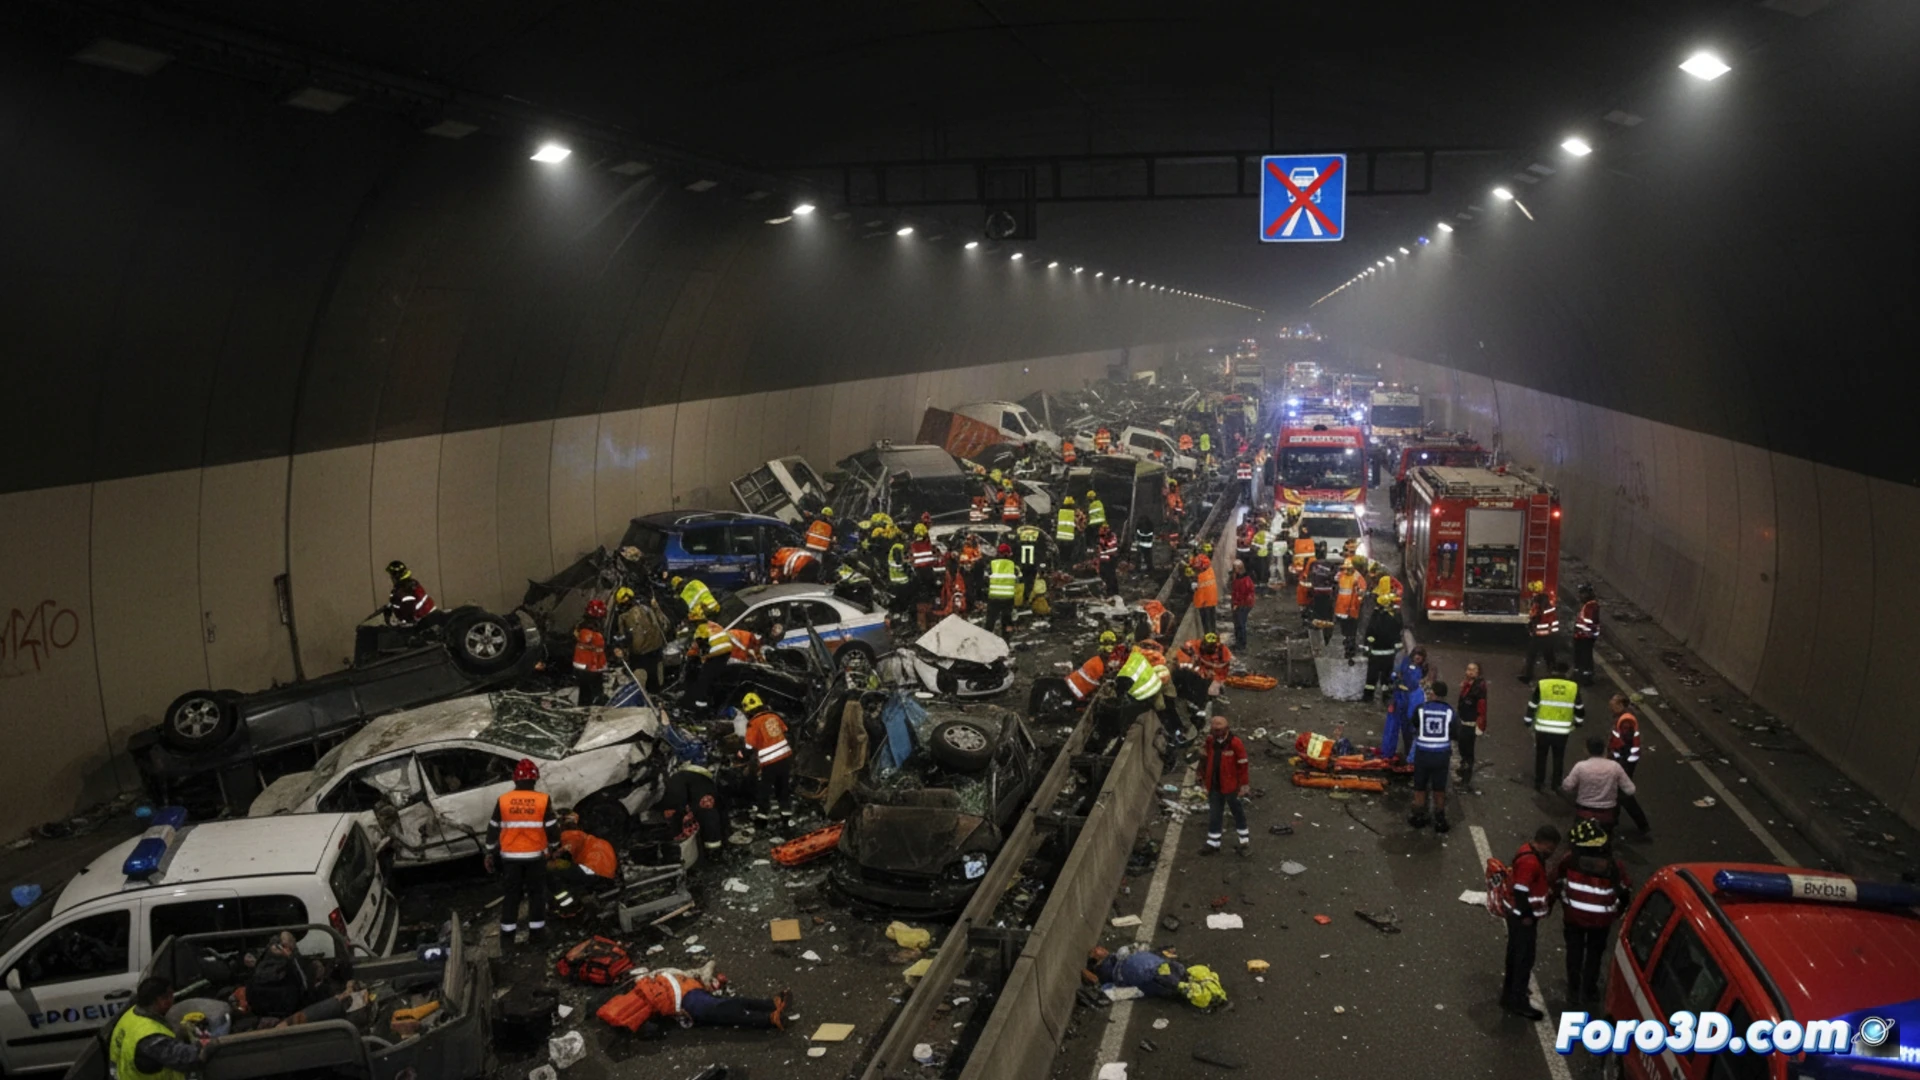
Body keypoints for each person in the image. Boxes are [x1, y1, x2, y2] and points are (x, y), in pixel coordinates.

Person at [1551, 819, 1632, 1005]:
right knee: (1595, 955)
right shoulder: (1614, 866)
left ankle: (1573, 989)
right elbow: (1624, 890)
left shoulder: (1569, 860)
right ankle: (1590, 989)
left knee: (1574, 953)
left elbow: (1556, 881)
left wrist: (1556, 902)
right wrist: (1617, 912)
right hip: (1601, 922)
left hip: (1574, 918)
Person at [488, 758, 560, 945]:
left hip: (510, 858)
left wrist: (489, 852)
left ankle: (507, 938)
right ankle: (536, 935)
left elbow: (493, 827)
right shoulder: (542, 800)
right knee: (536, 895)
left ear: (515, 780)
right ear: (535, 779)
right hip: (535, 857)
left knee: (512, 896)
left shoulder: (504, 800)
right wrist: (554, 846)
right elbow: (551, 828)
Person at [597, 969, 790, 1032]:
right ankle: (769, 1015)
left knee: (726, 1007)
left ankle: (770, 1009)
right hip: (689, 998)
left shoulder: (649, 984)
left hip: (689, 997)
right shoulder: (650, 983)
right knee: (726, 1009)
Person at [1501, 824, 1561, 1020]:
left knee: (1515, 955)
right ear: (1546, 844)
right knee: (1523, 958)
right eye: (1551, 848)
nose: (1552, 853)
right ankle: (1517, 1000)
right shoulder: (1531, 862)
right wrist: (1526, 915)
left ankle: (1510, 993)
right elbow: (1521, 890)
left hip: (1518, 917)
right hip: (1523, 920)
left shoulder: (1527, 852)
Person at [112, 977, 208, 1079]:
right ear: (160, 1000)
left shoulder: (131, 1014)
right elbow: (189, 1059)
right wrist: (208, 1044)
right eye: (170, 996)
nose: (172, 999)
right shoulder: (150, 1037)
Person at [1524, 659, 1585, 791]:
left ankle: (1539, 782)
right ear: (1566, 671)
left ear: (1552, 670)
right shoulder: (1573, 687)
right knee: (1558, 757)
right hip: (1562, 731)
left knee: (1541, 756)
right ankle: (1556, 783)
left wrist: (1528, 720)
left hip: (1543, 728)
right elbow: (1579, 707)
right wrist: (1578, 722)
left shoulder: (1543, 684)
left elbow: (1533, 704)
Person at [660, 744, 728, 859]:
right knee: (709, 816)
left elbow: (674, 801)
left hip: (680, 823)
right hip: (703, 829)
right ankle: (714, 852)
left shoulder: (678, 777)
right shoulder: (704, 781)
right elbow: (713, 813)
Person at [1197, 712, 1251, 857]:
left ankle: (1244, 841)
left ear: (1226, 729)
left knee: (1237, 812)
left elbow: (1243, 764)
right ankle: (1213, 842)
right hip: (1214, 785)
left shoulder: (1235, 743)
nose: (1217, 733)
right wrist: (1201, 776)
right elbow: (1205, 760)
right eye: (1215, 730)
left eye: (1220, 730)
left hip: (1231, 786)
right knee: (1215, 813)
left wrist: (1244, 784)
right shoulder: (1210, 742)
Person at [550, 809, 620, 919]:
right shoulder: (590, 839)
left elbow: (565, 854)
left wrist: (551, 857)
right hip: (606, 874)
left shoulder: (570, 836)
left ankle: (570, 907)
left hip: (593, 872)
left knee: (552, 869)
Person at [1407, 680, 1457, 833]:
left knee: (1420, 786)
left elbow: (1414, 724)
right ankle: (1440, 820)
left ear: (1432, 693)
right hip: (1441, 755)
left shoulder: (1421, 709)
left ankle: (1419, 817)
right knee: (1439, 788)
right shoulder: (1450, 712)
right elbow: (1455, 732)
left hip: (1423, 754)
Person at [741, 692, 794, 825]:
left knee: (764, 788)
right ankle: (786, 815)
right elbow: (784, 730)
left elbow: (749, 746)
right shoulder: (774, 716)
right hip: (785, 757)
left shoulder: (753, 723)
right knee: (783, 786)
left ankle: (762, 817)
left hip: (770, 761)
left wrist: (741, 754)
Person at [1562, 736, 1636, 828]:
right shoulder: (1615, 767)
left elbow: (1567, 786)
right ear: (1604, 749)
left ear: (1586, 750)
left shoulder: (1580, 767)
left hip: (1584, 812)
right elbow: (1630, 790)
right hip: (1607, 814)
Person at [1606, 694, 1652, 836]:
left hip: (1625, 762)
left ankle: (1642, 824)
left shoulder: (1626, 720)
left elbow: (1625, 745)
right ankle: (1613, 820)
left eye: (1613, 703)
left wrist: (1618, 761)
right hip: (1624, 760)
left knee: (1623, 793)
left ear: (1621, 705)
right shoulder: (1622, 717)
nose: (1610, 706)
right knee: (1616, 791)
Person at [612, 587, 670, 693]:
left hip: (639, 658)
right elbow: (665, 625)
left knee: (640, 689)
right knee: (656, 686)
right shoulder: (648, 609)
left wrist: (622, 651)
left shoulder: (623, 618)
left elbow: (624, 638)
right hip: (657, 653)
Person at [1084, 946, 1186, 1000]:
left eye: (1100, 948)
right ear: (1094, 957)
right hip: (1139, 972)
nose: (1100, 949)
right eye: (1096, 950)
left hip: (1144, 970)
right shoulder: (1104, 969)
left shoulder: (1117, 956)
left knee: (1163, 975)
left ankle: (1175, 984)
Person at [1382, 645, 1428, 761]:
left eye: (1420, 655)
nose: (1418, 657)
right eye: (1416, 654)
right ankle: (1387, 753)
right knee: (1392, 727)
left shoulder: (1423, 668)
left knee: (1410, 728)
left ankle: (1409, 754)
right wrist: (1394, 679)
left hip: (1411, 699)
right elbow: (1395, 673)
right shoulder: (1405, 662)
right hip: (1399, 696)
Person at [689, 614, 735, 716]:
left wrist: (691, 655)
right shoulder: (713, 624)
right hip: (727, 651)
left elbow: (697, 646)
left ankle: (700, 707)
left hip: (717, 653)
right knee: (716, 676)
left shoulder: (700, 629)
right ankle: (714, 701)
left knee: (705, 678)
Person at [1360, 594, 1402, 704]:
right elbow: (1398, 632)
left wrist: (1367, 647)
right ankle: (1386, 697)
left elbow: (1370, 633)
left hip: (1375, 654)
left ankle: (1368, 697)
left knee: (1371, 678)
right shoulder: (1394, 618)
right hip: (1389, 655)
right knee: (1386, 678)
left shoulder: (1376, 617)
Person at [1456, 662, 1490, 787]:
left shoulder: (1478, 688)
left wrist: (1480, 724)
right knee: (1463, 748)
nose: (1470, 672)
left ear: (1478, 672)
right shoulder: (1467, 685)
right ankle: (1463, 771)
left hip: (1470, 724)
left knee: (1467, 751)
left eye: (1473, 669)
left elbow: (1481, 707)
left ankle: (1465, 778)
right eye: (1468, 669)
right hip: (1464, 721)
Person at [1519, 580, 1560, 683]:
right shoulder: (1548, 603)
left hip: (1539, 635)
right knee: (1549, 655)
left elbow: (1535, 617)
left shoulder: (1538, 603)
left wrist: (1531, 626)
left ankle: (1527, 675)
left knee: (1531, 655)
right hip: (1550, 635)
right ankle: (1554, 673)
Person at [572, 598, 610, 706]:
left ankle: (584, 708)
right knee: (593, 694)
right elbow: (598, 649)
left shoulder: (581, 627)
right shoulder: (592, 633)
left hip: (581, 667)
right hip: (591, 668)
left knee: (585, 693)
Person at [383, 560, 437, 626]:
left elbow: (409, 615)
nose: (391, 578)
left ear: (396, 576)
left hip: (426, 621)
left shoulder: (405, 589)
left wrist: (398, 623)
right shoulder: (408, 584)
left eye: (391, 575)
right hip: (429, 617)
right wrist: (390, 606)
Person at [1332, 557, 1367, 658]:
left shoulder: (1357, 576)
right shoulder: (1341, 574)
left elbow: (1362, 590)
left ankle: (1350, 646)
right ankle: (1347, 642)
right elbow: (1335, 580)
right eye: (1345, 568)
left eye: (1349, 568)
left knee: (1351, 629)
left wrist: (1358, 594)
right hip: (1341, 608)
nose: (1347, 570)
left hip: (1352, 608)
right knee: (1345, 628)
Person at [984, 543, 1019, 636]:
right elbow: (1018, 580)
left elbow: (985, 579)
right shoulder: (1013, 567)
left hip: (994, 598)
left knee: (990, 620)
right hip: (1008, 598)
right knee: (1007, 620)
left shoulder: (992, 565)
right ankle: (1006, 639)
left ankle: (986, 637)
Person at [1572, 584, 1600, 686]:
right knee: (1581, 655)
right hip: (1584, 635)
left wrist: (1580, 631)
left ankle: (1586, 677)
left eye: (1582, 594)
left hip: (1585, 636)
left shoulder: (1590, 606)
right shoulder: (1589, 605)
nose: (1580, 596)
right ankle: (1580, 674)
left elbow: (1588, 622)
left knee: (1585, 656)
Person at [1012, 521, 1047, 598]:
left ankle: (1022, 598)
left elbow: (1014, 550)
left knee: (1020, 583)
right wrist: (1042, 564)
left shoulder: (1019, 534)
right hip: (1034, 565)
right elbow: (1043, 550)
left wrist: (1016, 563)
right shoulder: (1040, 535)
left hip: (1021, 565)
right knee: (1032, 583)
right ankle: (1029, 597)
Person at [1190, 555, 1219, 636]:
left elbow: (1194, 588)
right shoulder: (1210, 571)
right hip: (1212, 600)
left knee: (1206, 623)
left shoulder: (1200, 577)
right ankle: (1213, 634)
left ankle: (1209, 637)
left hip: (1203, 602)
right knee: (1212, 620)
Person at [1308, 543, 1337, 623]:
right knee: (1327, 609)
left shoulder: (1313, 564)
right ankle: (1327, 622)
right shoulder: (1330, 564)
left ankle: (1318, 622)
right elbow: (1335, 578)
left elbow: (1310, 577)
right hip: (1327, 591)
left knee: (1317, 609)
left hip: (1316, 590)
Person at [1229, 560, 1255, 647]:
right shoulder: (1241, 579)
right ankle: (1239, 642)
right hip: (1241, 604)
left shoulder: (1244, 580)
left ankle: (1241, 643)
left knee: (1240, 624)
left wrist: (1236, 604)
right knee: (1238, 624)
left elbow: (1241, 594)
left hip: (1243, 604)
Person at [1096, 524, 1122, 597]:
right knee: (1104, 577)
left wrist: (1102, 550)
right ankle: (1108, 593)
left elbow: (1111, 548)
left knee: (1111, 578)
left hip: (1110, 561)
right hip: (1103, 562)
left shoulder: (1112, 537)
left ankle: (1113, 593)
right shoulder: (1101, 538)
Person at [1055, 495, 1080, 567]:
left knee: (1061, 556)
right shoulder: (1074, 513)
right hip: (1070, 538)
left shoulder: (1060, 512)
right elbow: (1078, 524)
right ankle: (1067, 567)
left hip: (1060, 538)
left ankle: (1060, 567)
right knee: (1069, 556)